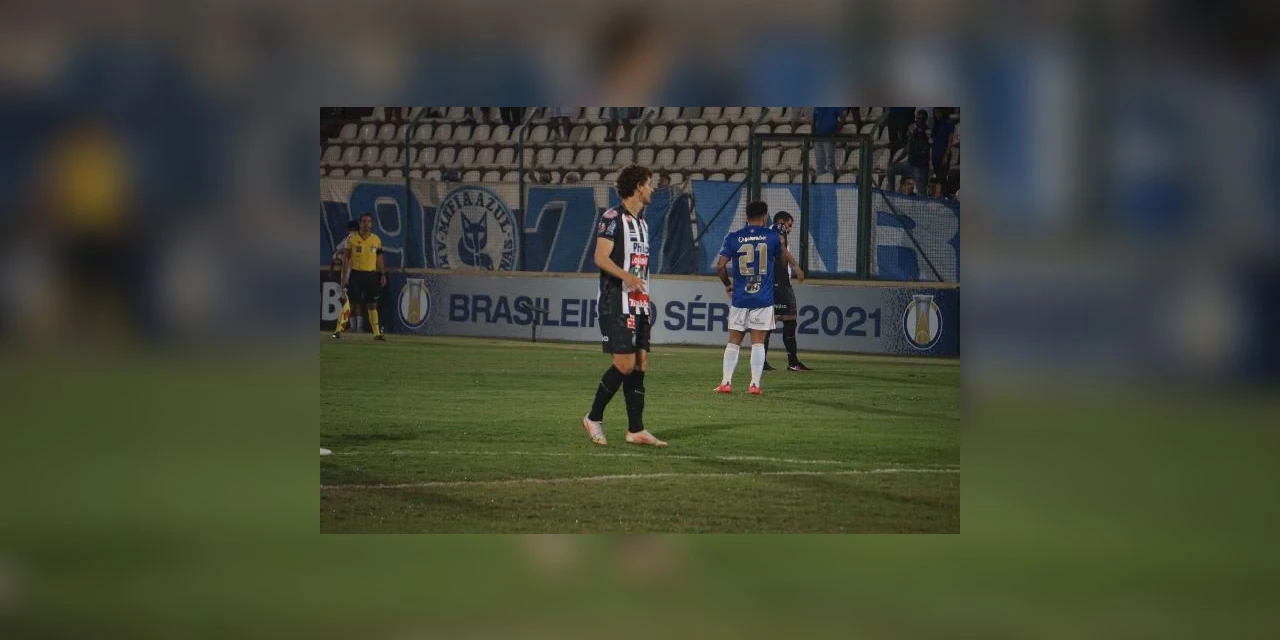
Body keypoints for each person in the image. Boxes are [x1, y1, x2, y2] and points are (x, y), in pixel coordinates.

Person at [581, 165, 666, 447]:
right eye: (650, 183)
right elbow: (600, 257)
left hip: (639, 304)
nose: (653, 189)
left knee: (640, 364)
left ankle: (636, 429)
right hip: (614, 302)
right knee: (625, 364)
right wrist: (627, 277)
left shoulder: (641, 223)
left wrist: (642, 288)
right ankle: (593, 418)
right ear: (638, 186)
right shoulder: (612, 218)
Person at [714, 201, 791, 395]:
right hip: (763, 298)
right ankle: (754, 385)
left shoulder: (733, 237)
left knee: (733, 341)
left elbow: (720, 266)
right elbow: (780, 258)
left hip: (740, 298)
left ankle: (725, 383)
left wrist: (728, 285)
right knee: (758, 341)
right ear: (765, 216)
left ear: (746, 217)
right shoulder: (772, 236)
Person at [762, 211, 810, 371]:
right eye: (789, 225)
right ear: (782, 222)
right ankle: (792, 362)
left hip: (773, 281)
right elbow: (781, 247)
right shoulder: (778, 227)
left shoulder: (769, 231)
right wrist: (796, 267)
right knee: (787, 319)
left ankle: (762, 361)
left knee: (772, 320)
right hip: (779, 282)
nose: (789, 229)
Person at [338, 213, 387, 341]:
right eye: (364, 221)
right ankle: (339, 329)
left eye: (369, 221)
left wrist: (382, 274)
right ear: (360, 223)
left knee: (372, 304)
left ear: (371, 224)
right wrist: (344, 277)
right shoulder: (352, 239)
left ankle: (376, 333)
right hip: (356, 274)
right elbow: (346, 259)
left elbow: (380, 258)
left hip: (370, 275)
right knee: (350, 304)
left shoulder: (376, 240)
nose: (366, 224)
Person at [330, 220, 359, 336]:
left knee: (356, 301)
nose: (353, 232)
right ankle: (352, 326)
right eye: (351, 230)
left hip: (356, 274)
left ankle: (359, 326)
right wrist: (332, 269)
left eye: (355, 230)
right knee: (348, 300)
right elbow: (335, 255)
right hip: (345, 275)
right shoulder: (345, 241)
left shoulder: (360, 241)